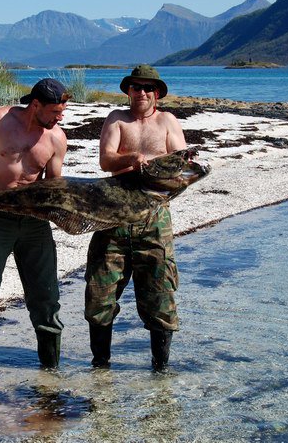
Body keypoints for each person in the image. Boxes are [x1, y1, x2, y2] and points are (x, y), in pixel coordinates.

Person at [0, 78, 69, 380]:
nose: (60, 117)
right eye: (55, 111)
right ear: (35, 105)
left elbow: (52, 183)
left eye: (62, 112)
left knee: (46, 297)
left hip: (34, 221)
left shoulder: (57, 138)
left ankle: (49, 378)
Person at [84, 65, 186, 372]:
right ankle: (100, 368)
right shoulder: (117, 119)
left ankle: (161, 372)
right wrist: (131, 158)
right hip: (113, 215)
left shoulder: (168, 121)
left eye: (146, 88)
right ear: (128, 91)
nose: (140, 92)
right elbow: (105, 161)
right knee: (100, 295)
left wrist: (152, 164)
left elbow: (181, 163)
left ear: (156, 93)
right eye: (134, 87)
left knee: (160, 295)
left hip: (154, 220)